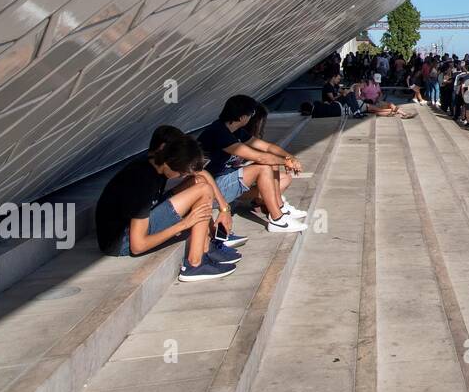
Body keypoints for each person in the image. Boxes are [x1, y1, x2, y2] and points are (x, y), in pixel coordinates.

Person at [94, 127, 236, 282]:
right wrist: (183, 224)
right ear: (170, 164)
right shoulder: (142, 182)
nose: (182, 176)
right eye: (181, 174)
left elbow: (201, 173)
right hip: (123, 242)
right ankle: (195, 264)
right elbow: (137, 245)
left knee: (199, 181)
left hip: (134, 223)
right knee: (203, 189)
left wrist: (224, 209)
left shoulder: (157, 163)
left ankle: (207, 246)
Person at [199, 95, 308, 233]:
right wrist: (286, 162)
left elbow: (267, 147)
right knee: (263, 167)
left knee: (276, 168)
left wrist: (290, 157)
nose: (252, 117)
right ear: (242, 117)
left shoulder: (234, 130)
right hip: (212, 188)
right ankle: (278, 220)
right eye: (252, 113)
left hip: (226, 181)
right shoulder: (219, 132)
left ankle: (280, 208)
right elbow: (261, 157)